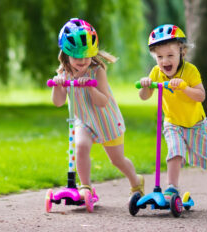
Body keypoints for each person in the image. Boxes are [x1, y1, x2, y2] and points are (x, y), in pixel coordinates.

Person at [138, 24, 207, 200]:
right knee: (175, 151)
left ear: (182, 52)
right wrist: (146, 85)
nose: (165, 61)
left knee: (205, 161)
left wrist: (184, 88)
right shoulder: (156, 72)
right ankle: (172, 188)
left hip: (196, 124)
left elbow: (201, 95)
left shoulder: (190, 71)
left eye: (170, 55)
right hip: (173, 123)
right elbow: (144, 96)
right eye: (159, 57)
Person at [51, 18, 144, 199]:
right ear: (66, 53)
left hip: (106, 120)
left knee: (117, 160)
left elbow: (103, 102)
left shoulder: (97, 71)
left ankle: (136, 180)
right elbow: (58, 102)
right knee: (80, 146)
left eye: (86, 55)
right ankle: (86, 187)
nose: (82, 60)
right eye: (77, 56)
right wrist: (57, 85)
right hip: (83, 120)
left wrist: (90, 88)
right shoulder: (63, 72)